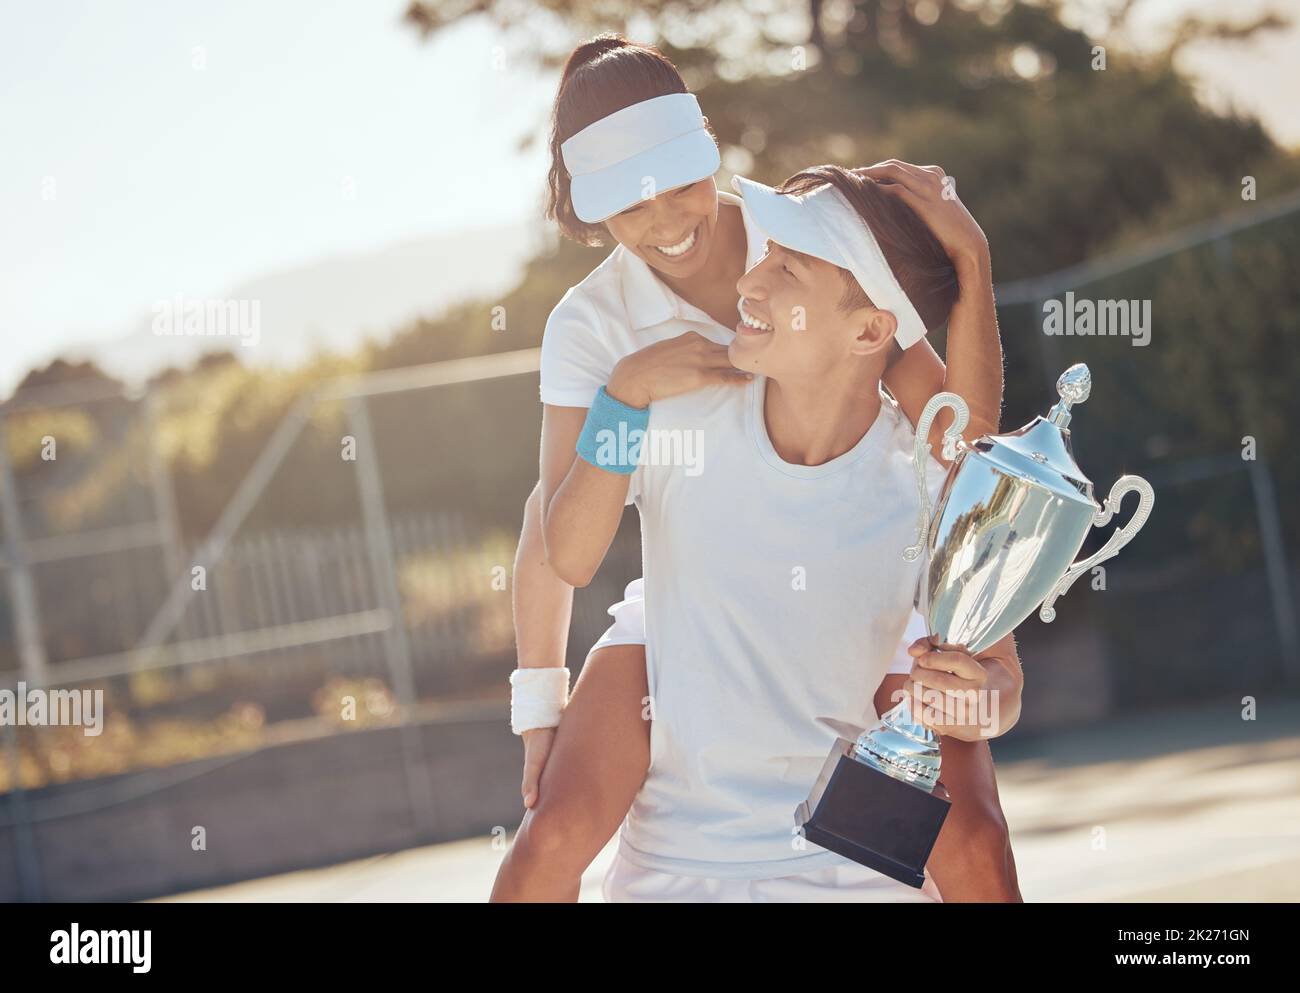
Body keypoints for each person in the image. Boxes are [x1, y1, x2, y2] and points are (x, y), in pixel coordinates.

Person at [491, 34, 1018, 902]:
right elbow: (560, 541)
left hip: (851, 582)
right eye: (630, 205)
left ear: (710, 148)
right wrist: (539, 708)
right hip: (690, 600)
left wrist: (972, 264)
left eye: (682, 182)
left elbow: (958, 441)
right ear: (594, 215)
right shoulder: (593, 325)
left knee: (969, 839)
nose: (668, 221)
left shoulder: (803, 229)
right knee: (548, 840)